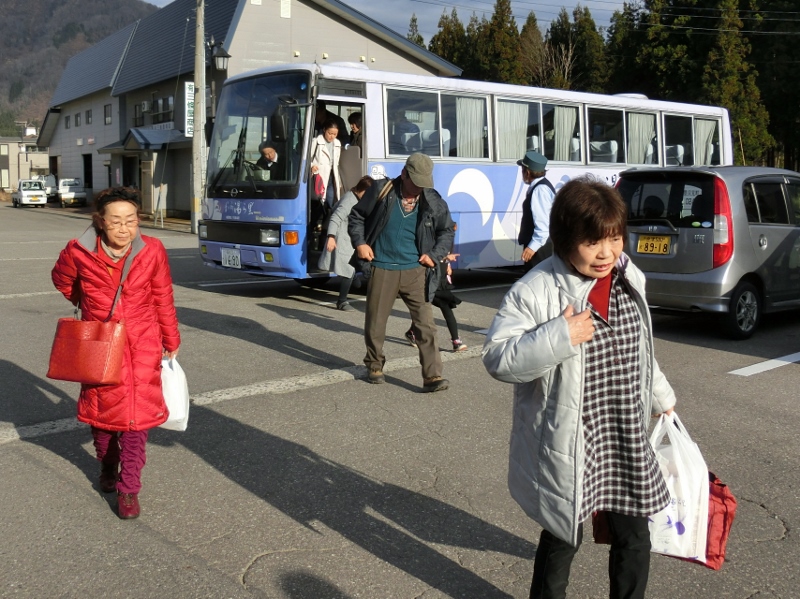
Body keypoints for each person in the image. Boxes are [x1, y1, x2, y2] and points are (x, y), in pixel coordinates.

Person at [482, 177, 676, 599]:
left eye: (615, 238)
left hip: (624, 432)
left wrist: (662, 398)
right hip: (571, 441)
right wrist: (560, 336)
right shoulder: (536, 289)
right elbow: (497, 358)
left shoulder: (629, 275)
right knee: (563, 537)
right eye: (592, 242)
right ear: (565, 239)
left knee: (634, 536)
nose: (606, 253)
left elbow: (639, 349)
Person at [51, 187, 180, 520]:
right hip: (100, 344)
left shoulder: (153, 250)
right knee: (103, 418)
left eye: (131, 221)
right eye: (116, 221)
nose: (124, 228)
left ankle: (128, 488)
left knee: (137, 419)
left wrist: (171, 337)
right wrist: (87, 302)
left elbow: (163, 296)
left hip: (143, 343)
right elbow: (62, 280)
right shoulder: (78, 251)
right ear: (100, 222)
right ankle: (108, 464)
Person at [348, 153, 454, 393]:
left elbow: (446, 230)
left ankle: (432, 376)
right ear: (404, 173)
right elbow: (356, 217)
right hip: (382, 266)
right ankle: (375, 365)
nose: (418, 188)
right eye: (415, 182)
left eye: (423, 183)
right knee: (376, 323)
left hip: (416, 270)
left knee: (426, 326)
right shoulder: (381, 190)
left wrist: (435, 254)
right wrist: (360, 243)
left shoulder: (432, 199)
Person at [319, 175, 374, 311]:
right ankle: (342, 302)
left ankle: (353, 278)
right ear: (362, 190)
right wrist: (331, 236)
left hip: (348, 240)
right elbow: (335, 217)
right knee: (347, 270)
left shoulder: (353, 197)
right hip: (342, 240)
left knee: (350, 271)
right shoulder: (350, 200)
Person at [405, 251, 467, 352]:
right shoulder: (430, 242)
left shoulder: (447, 242)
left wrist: (448, 264)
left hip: (441, 279)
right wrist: (445, 257)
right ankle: (412, 333)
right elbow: (426, 257)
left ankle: (456, 341)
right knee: (424, 311)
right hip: (429, 280)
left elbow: (445, 255)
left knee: (446, 309)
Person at [517, 150, 556, 271]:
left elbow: (543, 224)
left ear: (527, 172)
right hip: (542, 247)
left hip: (541, 250)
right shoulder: (540, 187)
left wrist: (532, 247)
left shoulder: (540, 190)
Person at [310, 119, 344, 222]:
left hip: (331, 176)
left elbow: (336, 163)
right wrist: (312, 166)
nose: (332, 136)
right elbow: (307, 159)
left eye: (335, 134)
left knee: (331, 200)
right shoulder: (316, 141)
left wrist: (338, 181)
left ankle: (327, 223)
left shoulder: (337, 143)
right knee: (318, 201)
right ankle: (317, 223)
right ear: (324, 130)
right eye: (330, 133)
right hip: (319, 175)